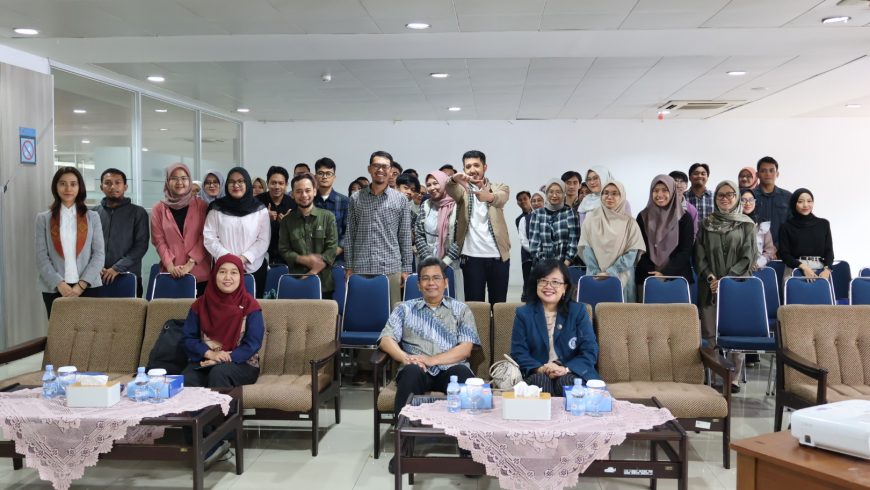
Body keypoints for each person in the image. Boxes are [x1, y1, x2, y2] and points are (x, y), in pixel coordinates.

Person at [377, 257, 480, 471]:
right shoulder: (404, 309)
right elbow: (386, 339)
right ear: (418, 284)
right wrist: (406, 358)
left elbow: (465, 349)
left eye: (436, 278)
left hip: (449, 368)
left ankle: (469, 448)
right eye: (425, 279)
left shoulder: (461, 310)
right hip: (417, 369)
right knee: (411, 372)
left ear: (446, 282)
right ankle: (403, 447)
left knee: (463, 373)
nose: (431, 283)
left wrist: (432, 360)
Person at [695, 180, 757, 392]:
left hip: (737, 286)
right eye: (720, 195)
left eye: (729, 194)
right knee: (710, 333)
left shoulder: (746, 224)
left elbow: (749, 255)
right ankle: (713, 374)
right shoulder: (706, 224)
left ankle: (732, 378)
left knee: (734, 334)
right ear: (715, 198)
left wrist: (727, 281)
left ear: (736, 197)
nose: (725, 198)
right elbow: (699, 256)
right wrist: (712, 278)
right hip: (709, 285)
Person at [511, 259, 599, 396]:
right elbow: (518, 352)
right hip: (537, 372)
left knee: (567, 382)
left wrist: (565, 369)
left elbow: (589, 350)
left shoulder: (578, 312)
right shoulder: (523, 314)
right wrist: (542, 369)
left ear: (565, 287)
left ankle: (571, 418)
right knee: (540, 382)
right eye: (543, 281)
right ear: (536, 284)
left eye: (555, 282)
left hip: (571, 371)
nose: (548, 286)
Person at [181, 254, 263, 388]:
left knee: (219, 373)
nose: (227, 277)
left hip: (241, 362)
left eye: (234, 272)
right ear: (214, 275)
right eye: (222, 272)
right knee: (187, 379)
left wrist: (221, 359)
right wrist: (211, 354)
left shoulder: (250, 306)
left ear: (241, 277)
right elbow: (188, 338)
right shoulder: (200, 304)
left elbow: (253, 343)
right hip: (206, 359)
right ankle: (191, 410)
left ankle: (222, 410)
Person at [345, 150, 413, 307]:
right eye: (376, 166)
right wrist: (349, 266)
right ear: (369, 169)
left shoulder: (400, 200)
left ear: (390, 171)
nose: (380, 170)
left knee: (392, 317)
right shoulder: (355, 198)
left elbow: (404, 236)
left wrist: (406, 269)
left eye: (384, 166)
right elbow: (350, 235)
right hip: (361, 268)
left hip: (391, 268)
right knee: (363, 314)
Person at [36, 166, 105, 316]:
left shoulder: (93, 217)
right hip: (55, 288)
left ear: (80, 187)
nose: (68, 188)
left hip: (88, 287)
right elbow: (41, 257)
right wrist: (60, 284)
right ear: (56, 187)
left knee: (89, 334)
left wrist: (81, 285)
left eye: (73, 184)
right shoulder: (44, 218)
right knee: (61, 335)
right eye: (62, 183)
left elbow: (99, 255)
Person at [447, 150, 511, 304]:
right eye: (468, 166)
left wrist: (488, 196)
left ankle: (497, 330)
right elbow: (450, 189)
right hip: (471, 258)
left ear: (485, 167)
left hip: (498, 257)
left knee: (499, 305)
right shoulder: (462, 190)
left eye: (476, 165)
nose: (472, 170)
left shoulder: (498, 186)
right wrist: (454, 179)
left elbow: (501, 198)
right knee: (475, 307)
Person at [203, 167, 270, 298]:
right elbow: (209, 237)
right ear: (226, 185)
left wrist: (244, 258)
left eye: (241, 181)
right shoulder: (216, 208)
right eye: (232, 182)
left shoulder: (260, 209)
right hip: (224, 270)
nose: (236, 185)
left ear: (247, 184)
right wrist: (229, 259)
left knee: (252, 310)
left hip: (253, 268)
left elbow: (263, 240)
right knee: (223, 308)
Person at [579, 181, 646, 303]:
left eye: (615, 193)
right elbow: (586, 248)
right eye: (605, 193)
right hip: (594, 276)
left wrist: (611, 272)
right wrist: (597, 272)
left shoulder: (630, 223)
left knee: (621, 317)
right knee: (594, 315)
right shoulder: (590, 220)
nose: (609, 197)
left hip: (622, 277)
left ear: (622, 197)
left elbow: (632, 253)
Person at [151, 163, 211, 296]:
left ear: (189, 181)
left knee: (199, 315)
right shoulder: (158, 209)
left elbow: (205, 236)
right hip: (171, 273)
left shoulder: (201, 206)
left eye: (184, 178)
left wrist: (190, 264)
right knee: (172, 313)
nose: (180, 182)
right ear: (167, 181)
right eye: (174, 178)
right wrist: (170, 266)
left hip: (199, 272)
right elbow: (158, 240)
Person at [278, 173, 338, 297]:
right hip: (296, 281)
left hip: (324, 284)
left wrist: (312, 272)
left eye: (307, 190)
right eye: (299, 191)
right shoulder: (287, 221)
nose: (304, 195)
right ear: (293, 195)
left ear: (315, 192)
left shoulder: (327, 217)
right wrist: (303, 259)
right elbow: (283, 249)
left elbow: (331, 249)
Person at [94, 168, 150, 297]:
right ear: (101, 187)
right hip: (97, 277)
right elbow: (87, 246)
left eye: (117, 182)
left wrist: (117, 268)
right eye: (107, 183)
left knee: (130, 316)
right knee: (97, 317)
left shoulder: (138, 212)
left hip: (128, 277)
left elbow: (141, 246)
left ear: (125, 186)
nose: (113, 186)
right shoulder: (93, 214)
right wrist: (96, 267)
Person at [635, 175, 694, 296]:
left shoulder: (684, 217)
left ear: (672, 191)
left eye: (665, 190)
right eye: (655, 190)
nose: (659, 194)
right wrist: (653, 273)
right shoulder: (642, 217)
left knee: (677, 315)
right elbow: (640, 248)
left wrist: (666, 272)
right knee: (647, 315)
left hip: (677, 277)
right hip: (647, 277)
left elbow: (685, 250)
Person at [778, 188, 834, 280]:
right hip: (795, 268)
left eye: (809, 201)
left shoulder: (823, 224)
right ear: (794, 203)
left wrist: (827, 270)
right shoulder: (786, 226)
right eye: (800, 202)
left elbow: (829, 252)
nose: (805, 205)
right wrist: (804, 267)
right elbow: (785, 255)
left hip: (821, 271)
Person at [528, 179, 578, 266]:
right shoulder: (537, 214)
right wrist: (544, 266)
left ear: (564, 194)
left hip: (565, 267)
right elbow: (534, 244)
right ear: (546, 194)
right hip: (542, 267)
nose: (554, 195)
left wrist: (565, 264)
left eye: (558, 192)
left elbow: (573, 241)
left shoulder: (570, 212)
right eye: (551, 192)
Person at [415, 171, 460, 268]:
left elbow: (460, 238)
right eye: (429, 185)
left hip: (451, 263)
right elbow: (419, 234)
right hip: (427, 262)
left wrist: (445, 262)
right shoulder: (426, 205)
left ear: (444, 183)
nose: (432, 188)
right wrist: (429, 259)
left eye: (435, 183)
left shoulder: (457, 205)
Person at [313, 157, 349, 265]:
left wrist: (332, 253)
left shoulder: (345, 201)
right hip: (313, 259)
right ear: (315, 177)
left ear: (334, 177)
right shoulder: (309, 201)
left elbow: (347, 233)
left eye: (328, 173)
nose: (324, 177)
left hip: (337, 260)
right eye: (321, 173)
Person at [256, 166, 294, 265]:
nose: (277, 187)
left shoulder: (292, 204)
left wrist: (287, 224)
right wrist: (264, 219)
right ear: (267, 183)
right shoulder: (257, 202)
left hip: (285, 255)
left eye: (281, 183)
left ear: (286, 185)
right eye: (273, 183)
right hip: (260, 254)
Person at [753, 156, 792, 247]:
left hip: (782, 251)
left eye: (771, 170)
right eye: (763, 171)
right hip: (755, 251)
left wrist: (779, 247)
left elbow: (793, 226)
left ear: (777, 173)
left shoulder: (788, 197)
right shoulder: (750, 197)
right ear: (757, 174)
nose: (768, 174)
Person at [740, 189, 777, 269]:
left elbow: (770, 251)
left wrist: (759, 263)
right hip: (735, 270)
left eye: (751, 200)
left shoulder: (762, 225)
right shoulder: (733, 223)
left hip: (757, 270)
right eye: (743, 200)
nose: (748, 203)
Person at [669, 170, 699, 236]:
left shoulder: (692, 210)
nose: (678, 185)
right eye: (675, 181)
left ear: (686, 186)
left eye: (682, 181)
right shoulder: (661, 205)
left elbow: (694, 233)